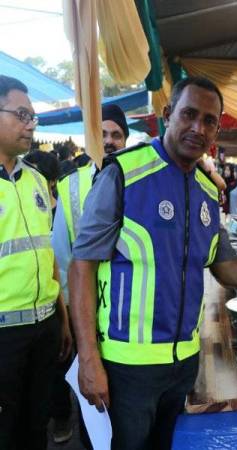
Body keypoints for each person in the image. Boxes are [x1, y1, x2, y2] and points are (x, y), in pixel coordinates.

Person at [68, 76, 237, 450]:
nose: (198, 127)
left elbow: (225, 267)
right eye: (189, 114)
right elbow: (82, 267)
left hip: (184, 365)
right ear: (167, 114)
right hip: (125, 367)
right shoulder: (123, 174)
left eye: (209, 120)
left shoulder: (207, 193)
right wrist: (88, 357)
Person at [49, 103, 130, 444]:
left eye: (117, 135)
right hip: (87, 318)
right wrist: (71, 320)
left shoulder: (136, 179)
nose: (109, 141)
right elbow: (63, 257)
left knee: (124, 409)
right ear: (91, 138)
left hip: (125, 320)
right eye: (103, 134)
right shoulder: (71, 186)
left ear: (126, 140)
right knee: (92, 410)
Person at [0, 75, 72, 450]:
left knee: (35, 426)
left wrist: (61, 319)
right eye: (22, 114)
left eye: (33, 117)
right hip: (4, 337)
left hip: (44, 326)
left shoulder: (37, 180)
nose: (31, 124)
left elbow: (49, 257)